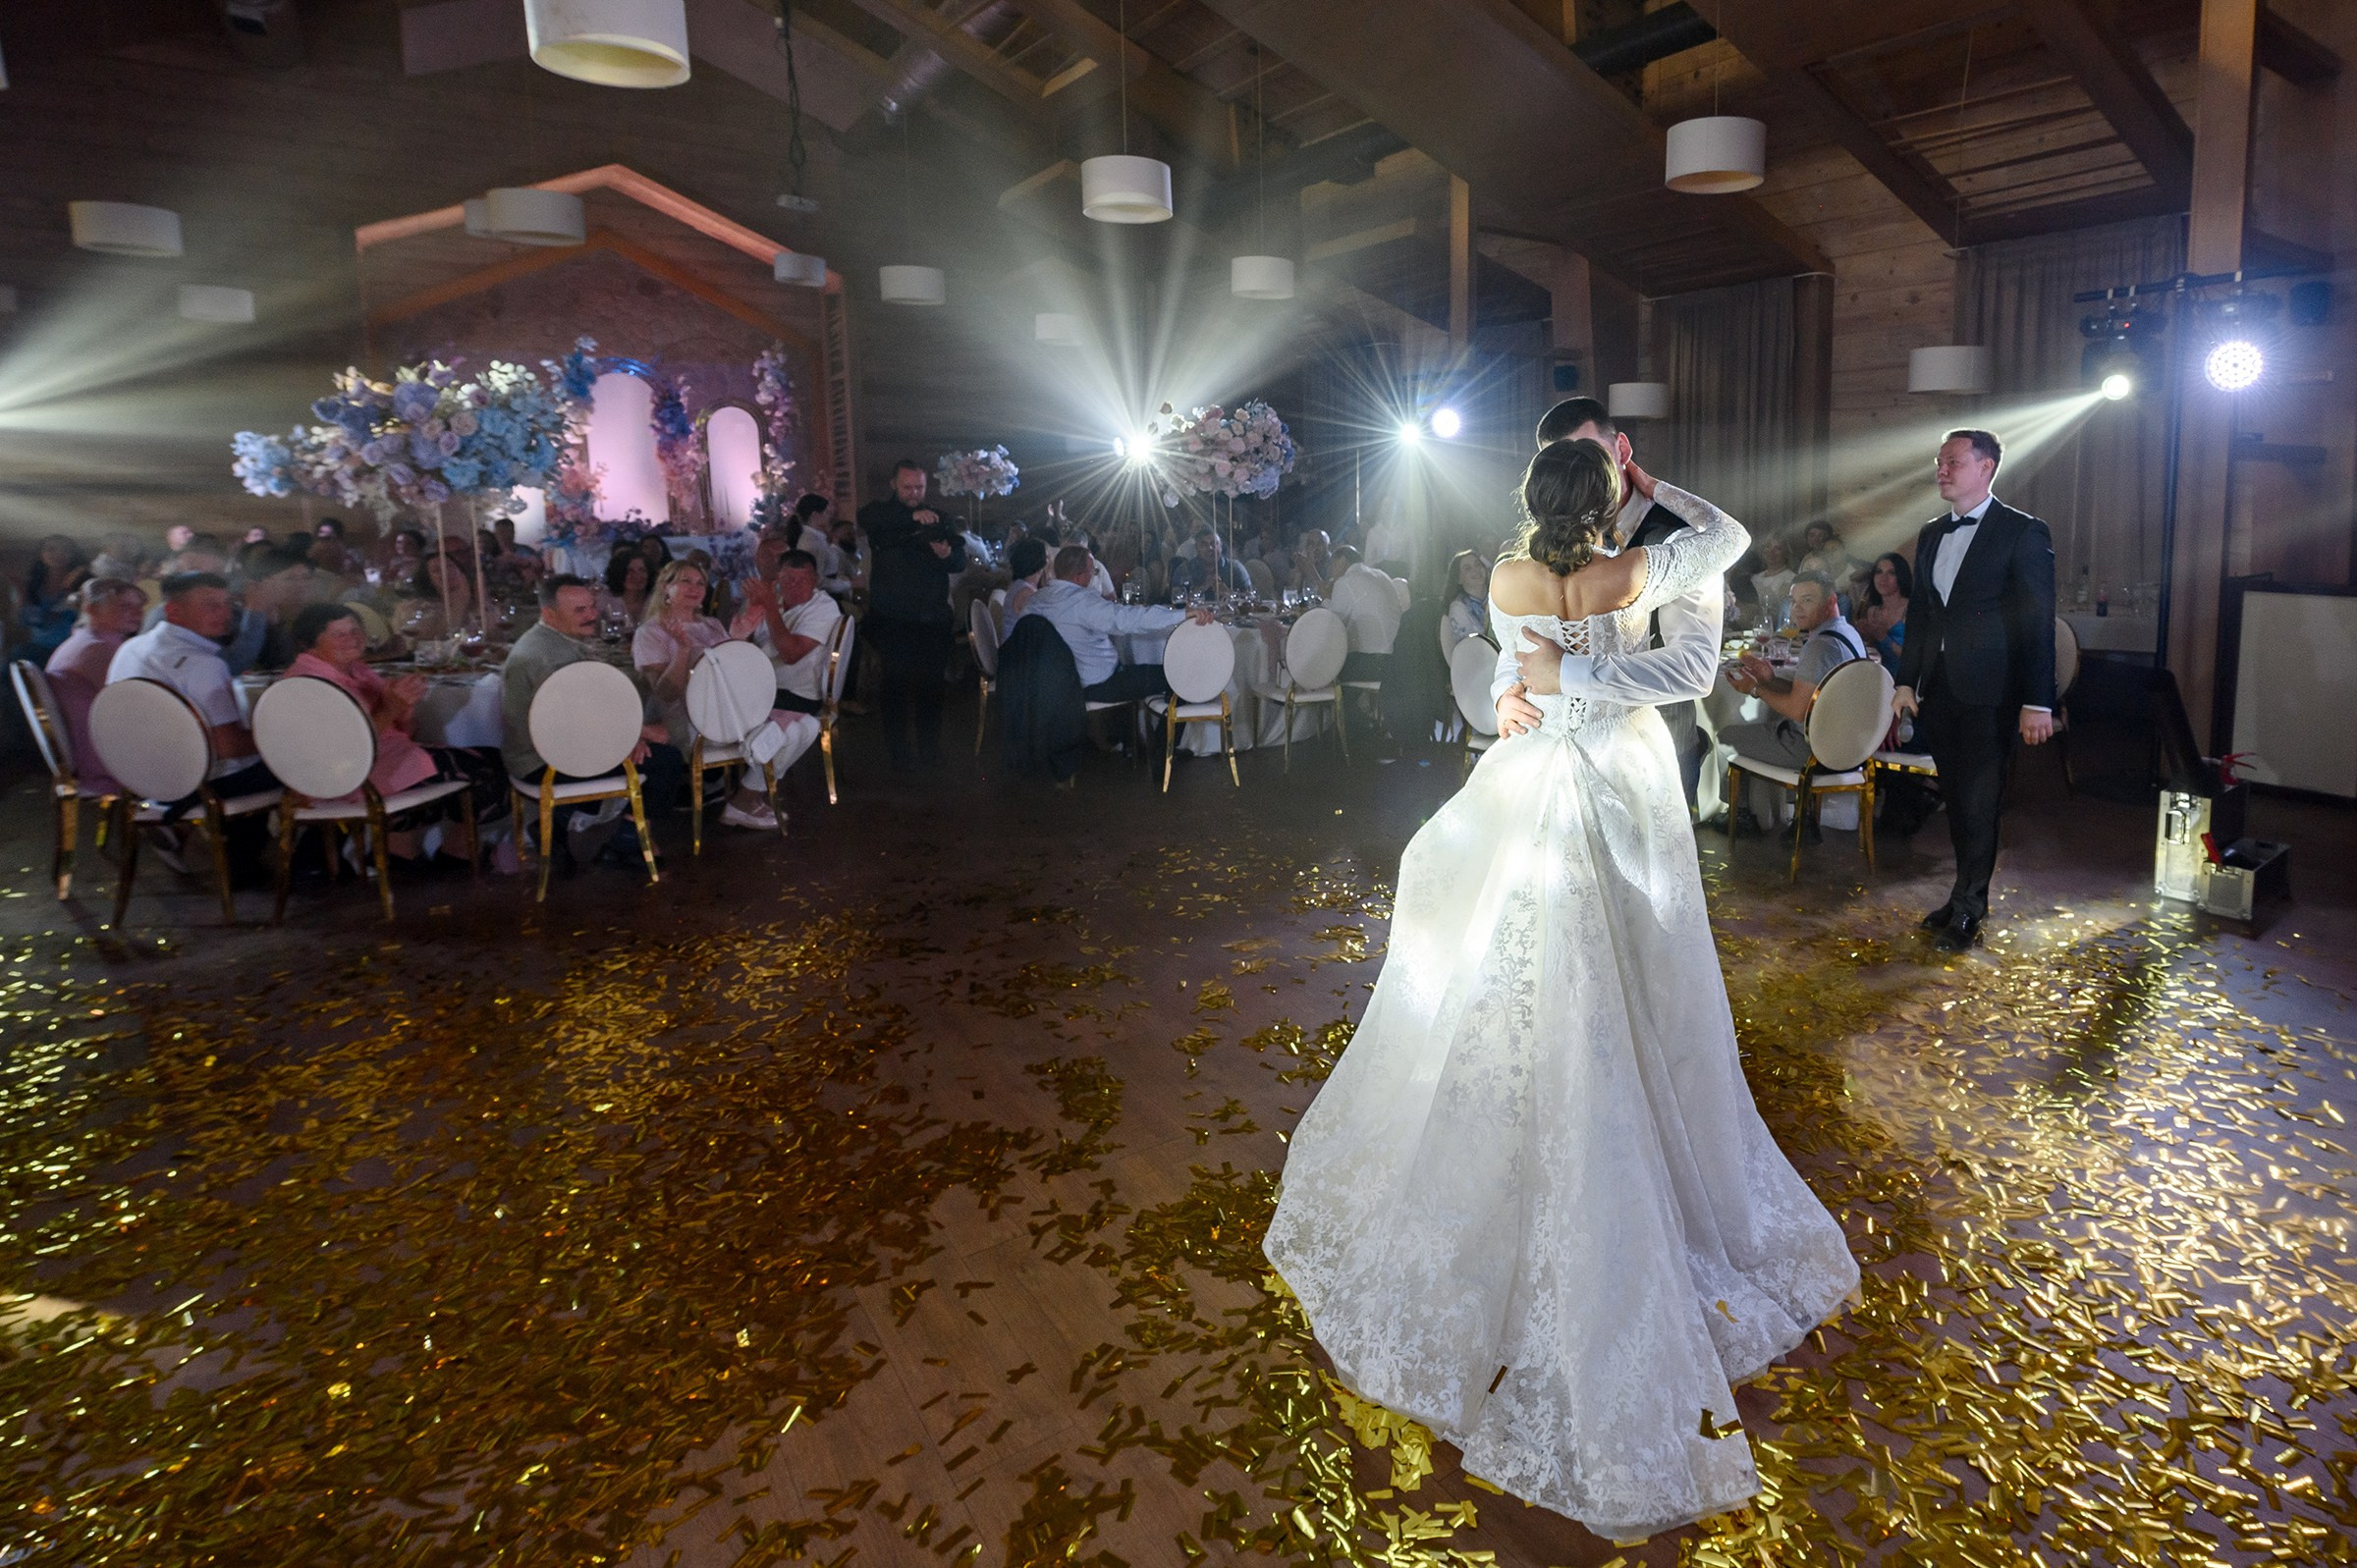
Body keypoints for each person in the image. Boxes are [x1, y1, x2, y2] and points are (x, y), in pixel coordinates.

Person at [1264, 437, 1855, 1541]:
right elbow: (1724, 540)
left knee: (1535, 954)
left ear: (1531, 501)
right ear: (1608, 500)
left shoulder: (1503, 573)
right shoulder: (1634, 572)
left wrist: (1527, 685)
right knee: (1604, 956)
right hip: (1619, 773)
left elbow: (1511, 660)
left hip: (1539, 771)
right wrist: (1655, 492)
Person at [1497, 396, 1721, 811]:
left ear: (1621, 450)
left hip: (1650, 753)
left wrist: (1567, 673)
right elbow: (1522, 641)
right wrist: (1504, 693)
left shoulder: (1681, 540)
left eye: (1589, 454)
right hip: (1548, 756)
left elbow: (1693, 668)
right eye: (1561, 463)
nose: (1576, 475)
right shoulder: (1543, 540)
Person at [1894, 428, 2056, 953]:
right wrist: (1905, 681)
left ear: (1986, 468)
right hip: (1940, 687)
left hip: (1993, 691)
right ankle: (1960, 895)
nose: (1941, 471)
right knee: (1956, 799)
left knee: (1980, 802)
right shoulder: (1930, 533)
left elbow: (2037, 622)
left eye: (1953, 462)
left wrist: (2039, 701)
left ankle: (1970, 908)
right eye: (1939, 462)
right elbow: (1921, 615)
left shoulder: (2021, 532)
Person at [284, 603, 504, 863]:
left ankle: (400, 855)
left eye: (355, 630)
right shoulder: (310, 684)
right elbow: (347, 748)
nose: (352, 639)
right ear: (310, 644)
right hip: (346, 779)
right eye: (339, 634)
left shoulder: (357, 671)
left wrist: (404, 710)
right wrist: (390, 709)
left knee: (485, 761)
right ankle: (453, 857)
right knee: (490, 770)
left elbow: (404, 733)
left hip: (379, 762)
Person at [502, 575, 679, 868]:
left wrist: (630, 737)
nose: (591, 615)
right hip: (544, 763)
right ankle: (625, 838)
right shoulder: (551, 656)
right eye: (579, 610)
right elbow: (578, 722)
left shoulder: (547, 639)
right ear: (549, 614)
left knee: (651, 751)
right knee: (666, 761)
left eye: (591, 607)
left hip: (538, 753)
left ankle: (565, 823)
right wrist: (635, 735)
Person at [633, 560, 809, 833]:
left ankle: (746, 797)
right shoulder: (650, 632)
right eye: (685, 581)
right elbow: (665, 694)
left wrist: (738, 638)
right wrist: (682, 650)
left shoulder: (712, 625)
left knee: (808, 726)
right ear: (666, 587)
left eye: (700, 583)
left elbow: (730, 675)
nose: (694, 588)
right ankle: (747, 797)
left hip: (727, 712)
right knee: (792, 731)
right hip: (688, 721)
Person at [1716, 571, 1868, 828]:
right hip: (1847, 745)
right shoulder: (1846, 632)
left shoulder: (1819, 646)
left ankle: (1742, 816)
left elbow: (1797, 710)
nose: (1797, 609)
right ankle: (1792, 814)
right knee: (1765, 728)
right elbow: (1814, 694)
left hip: (1814, 749)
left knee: (1726, 737)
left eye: (1807, 600)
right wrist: (1768, 679)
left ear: (1831, 601)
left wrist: (1755, 690)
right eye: (1793, 601)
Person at [856, 459, 967, 772]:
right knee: (895, 688)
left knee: (932, 689)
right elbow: (867, 518)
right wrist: (910, 517)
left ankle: (929, 750)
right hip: (893, 620)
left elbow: (959, 562)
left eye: (919, 487)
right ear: (894, 484)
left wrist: (947, 554)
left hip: (932, 619)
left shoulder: (939, 517)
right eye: (907, 487)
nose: (914, 493)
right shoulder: (881, 514)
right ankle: (899, 753)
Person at [1015, 544, 1211, 707]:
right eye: (1093, 572)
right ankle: (1165, 741)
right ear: (1080, 577)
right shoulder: (1082, 602)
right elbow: (1129, 619)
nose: (1094, 576)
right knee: (1179, 676)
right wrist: (1180, 615)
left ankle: (1135, 734)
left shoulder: (1036, 600)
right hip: (1097, 683)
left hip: (1050, 685)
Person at [44, 578, 146, 797]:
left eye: (140, 606)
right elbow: (137, 706)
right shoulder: (97, 650)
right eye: (125, 606)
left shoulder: (86, 641)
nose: (138, 613)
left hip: (90, 753)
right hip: (107, 762)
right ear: (91, 609)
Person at [743, 549, 845, 717]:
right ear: (779, 579)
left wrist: (769, 606)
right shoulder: (774, 598)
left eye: (803, 580)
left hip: (794, 694)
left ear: (815, 581)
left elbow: (791, 655)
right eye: (789, 579)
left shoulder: (824, 607)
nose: (795, 586)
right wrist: (751, 613)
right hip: (760, 682)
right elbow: (746, 641)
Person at [1325, 545, 1408, 685]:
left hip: (1370, 663)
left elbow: (1333, 625)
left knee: (1327, 664)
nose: (1330, 572)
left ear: (1342, 561)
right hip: (1396, 659)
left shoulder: (1345, 582)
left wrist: (1325, 599)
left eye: (1332, 565)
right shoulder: (1382, 575)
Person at [16, 534, 89, 664]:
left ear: (73, 554)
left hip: (72, 648)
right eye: (51, 549)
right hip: (38, 648)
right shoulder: (33, 584)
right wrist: (21, 594)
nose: (58, 554)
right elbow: (25, 621)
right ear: (41, 554)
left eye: (65, 550)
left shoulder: (83, 582)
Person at [1855, 551, 1911, 668]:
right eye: (1879, 572)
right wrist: (1864, 635)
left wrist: (1884, 638)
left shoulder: (1911, 609)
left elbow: (1914, 657)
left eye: (1891, 573)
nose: (1883, 578)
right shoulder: (1873, 611)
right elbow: (1872, 653)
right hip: (1880, 674)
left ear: (1901, 576)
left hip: (1908, 675)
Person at [1168, 526, 1252, 601]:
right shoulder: (1185, 570)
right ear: (1196, 548)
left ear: (1221, 546)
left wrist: (1229, 594)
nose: (1210, 548)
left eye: (1214, 543)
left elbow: (1250, 598)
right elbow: (1174, 600)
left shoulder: (1235, 568)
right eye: (1204, 544)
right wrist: (1201, 589)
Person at [1439, 550, 1489, 660]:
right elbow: (1472, 647)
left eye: (1478, 565)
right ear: (1459, 579)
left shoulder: (1496, 596)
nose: (1476, 570)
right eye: (1467, 568)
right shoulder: (1458, 608)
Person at [1000, 537, 1050, 630]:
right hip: (1018, 639)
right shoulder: (1025, 592)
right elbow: (1036, 628)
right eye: (1047, 557)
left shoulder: (1020, 585)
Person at [1748, 537, 1795, 629]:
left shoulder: (1790, 578)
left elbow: (1785, 611)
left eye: (1777, 548)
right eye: (1768, 547)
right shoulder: (1755, 578)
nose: (1771, 552)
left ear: (1786, 553)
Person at [599, 550, 655, 625]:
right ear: (618, 574)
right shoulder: (605, 600)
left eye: (642, 570)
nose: (637, 576)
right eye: (630, 571)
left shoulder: (656, 601)